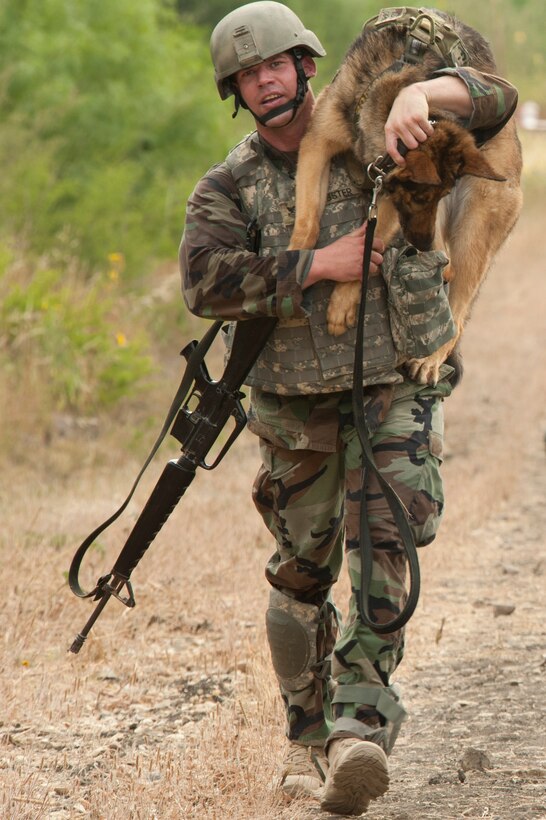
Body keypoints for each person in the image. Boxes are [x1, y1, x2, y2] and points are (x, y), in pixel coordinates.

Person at [179, 3, 518, 815]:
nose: (265, 82)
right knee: (300, 583)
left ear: (305, 66)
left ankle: (357, 727)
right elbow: (204, 283)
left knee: (386, 548)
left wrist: (426, 92)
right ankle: (304, 737)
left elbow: (496, 101)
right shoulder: (230, 183)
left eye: (277, 66)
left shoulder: (379, 129)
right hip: (295, 408)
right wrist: (313, 264)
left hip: (394, 381)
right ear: (236, 91)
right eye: (248, 74)